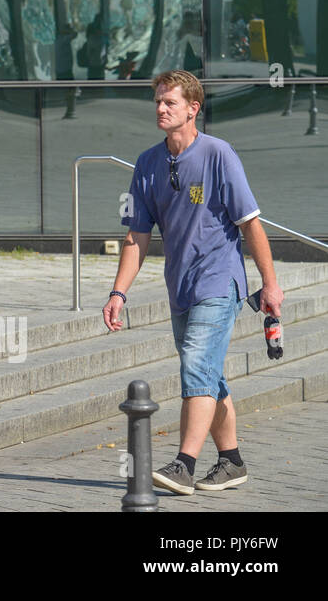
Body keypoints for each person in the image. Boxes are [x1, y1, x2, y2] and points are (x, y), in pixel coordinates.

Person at [105, 69, 283, 495]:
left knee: (196, 369)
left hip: (220, 283)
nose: (161, 109)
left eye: (170, 103)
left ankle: (184, 464)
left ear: (193, 109)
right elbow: (136, 235)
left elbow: (250, 224)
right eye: (158, 102)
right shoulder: (147, 163)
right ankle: (232, 462)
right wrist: (118, 292)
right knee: (209, 376)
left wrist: (270, 284)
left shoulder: (219, 155)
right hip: (180, 287)